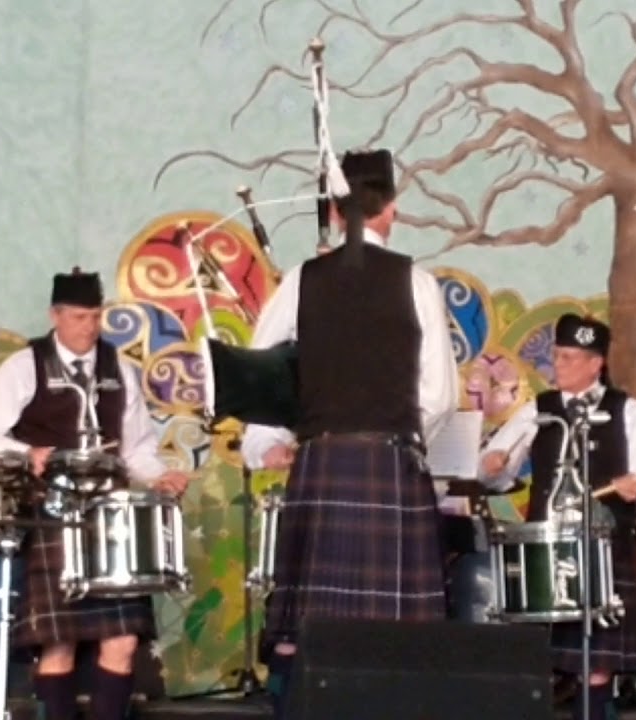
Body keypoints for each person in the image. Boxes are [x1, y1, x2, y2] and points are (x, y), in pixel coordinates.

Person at [236, 148, 458, 719]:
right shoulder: (418, 282)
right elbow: (438, 396)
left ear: (335, 215)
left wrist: (270, 442)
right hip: (389, 466)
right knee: (395, 633)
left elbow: (257, 371)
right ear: (391, 211)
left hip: (321, 463)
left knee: (306, 628)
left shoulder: (301, 281)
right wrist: (404, 440)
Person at [0, 269, 190, 720]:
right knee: (57, 644)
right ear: (55, 316)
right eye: (80, 317)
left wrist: (159, 477)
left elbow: (136, 447)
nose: (90, 326)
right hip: (53, 515)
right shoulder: (26, 365)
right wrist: (25, 452)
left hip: (109, 522)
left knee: (121, 641)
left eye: (96, 316)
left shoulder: (118, 368)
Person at [479, 313, 636, 720]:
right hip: (546, 548)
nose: (560, 365)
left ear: (595, 363)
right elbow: (495, 472)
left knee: (596, 663)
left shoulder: (626, 410)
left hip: (604, 548)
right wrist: (493, 465)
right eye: (557, 356)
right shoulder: (540, 409)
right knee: (539, 655)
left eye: (570, 357)